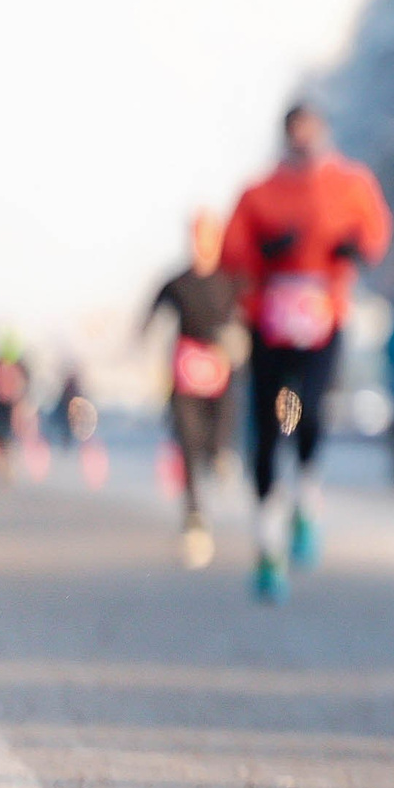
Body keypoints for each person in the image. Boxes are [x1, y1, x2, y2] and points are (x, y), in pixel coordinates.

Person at [222, 102, 392, 603]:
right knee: (270, 424)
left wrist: (357, 249)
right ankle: (267, 540)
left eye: (311, 130)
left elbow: (375, 230)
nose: (304, 139)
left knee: (309, 412)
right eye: (296, 131)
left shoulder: (350, 183)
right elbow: (233, 249)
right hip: (269, 320)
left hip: (324, 315)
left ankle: (307, 494)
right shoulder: (259, 192)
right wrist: (263, 253)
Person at [145, 209, 244, 567]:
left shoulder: (232, 281)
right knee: (187, 441)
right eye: (196, 236)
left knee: (215, 441)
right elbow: (152, 315)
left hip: (219, 372)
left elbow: (248, 317)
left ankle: (219, 459)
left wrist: (239, 340)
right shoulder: (178, 283)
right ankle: (193, 514)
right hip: (185, 373)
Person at [0, 332, 30, 484]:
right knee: (2, 436)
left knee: (7, 437)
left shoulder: (4, 364)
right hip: (5, 404)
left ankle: (6, 464)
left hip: (10, 405)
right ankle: (5, 463)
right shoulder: (14, 365)